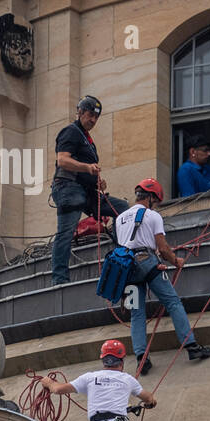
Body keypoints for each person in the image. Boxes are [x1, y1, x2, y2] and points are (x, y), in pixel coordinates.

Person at [116, 178, 210, 375]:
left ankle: (142, 359)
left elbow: (127, 245)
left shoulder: (119, 219)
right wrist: (176, 261)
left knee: (137, 314)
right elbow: (163, 247)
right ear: (151, 197)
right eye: (157, 201)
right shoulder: (152, 216)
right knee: (173, 302)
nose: (157, 205)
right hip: (147, 263)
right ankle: (192, 347)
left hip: (126, 270)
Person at [50, 95, 128, 284]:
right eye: (90, 115)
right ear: (80, 112)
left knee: (123, 209)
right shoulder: (71, 132)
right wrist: (87, 168)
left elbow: (83, 166)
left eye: (96, 117)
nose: (93, 120)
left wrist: (96, 182)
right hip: (69, 188)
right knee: (65, 233)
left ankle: (121, 259)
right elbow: (62, 160)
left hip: (86, 191)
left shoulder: (86, 139)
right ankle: (59, 279)